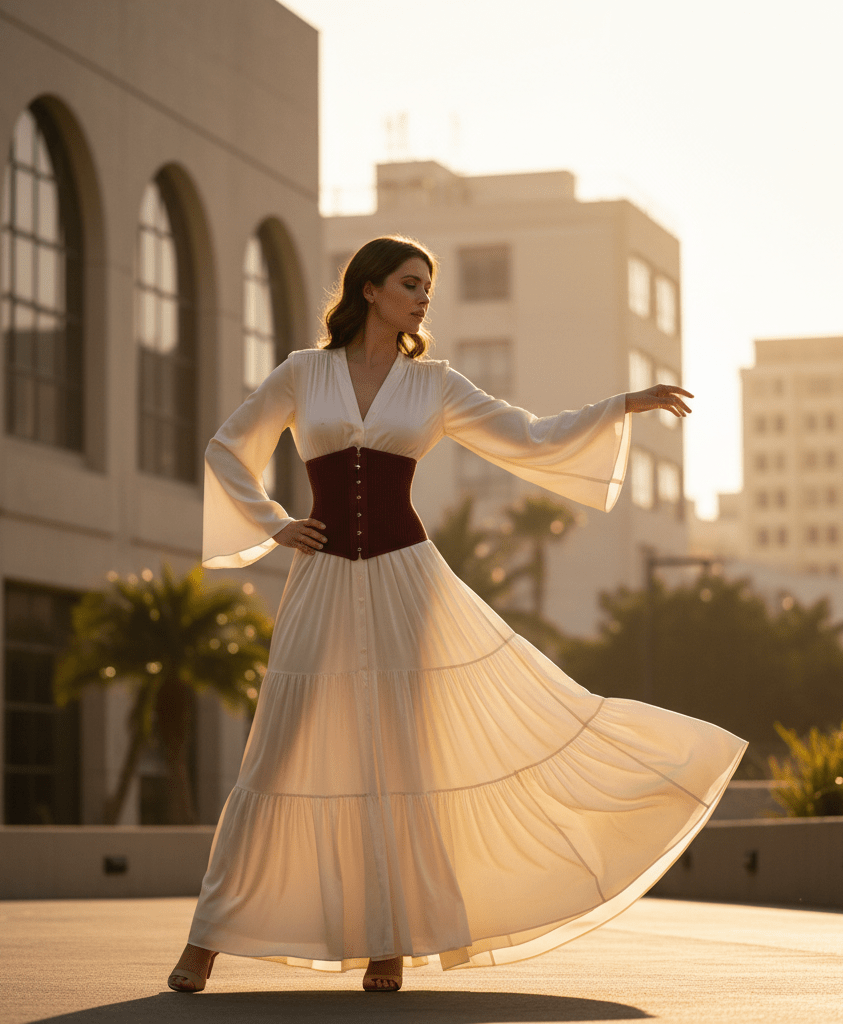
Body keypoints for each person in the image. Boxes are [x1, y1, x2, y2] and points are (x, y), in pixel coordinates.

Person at [167, 235, 746, 994]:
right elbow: (225, 447)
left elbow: (529, 435)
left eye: (427, 290)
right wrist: (273, 522)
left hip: (410, 581)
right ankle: (206, 941)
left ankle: (389, 944)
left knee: (403, 760)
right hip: (321, 577)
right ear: (369, 288)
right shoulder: (303, 373)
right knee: (276, 753)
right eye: (410, 284)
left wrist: (621, 405)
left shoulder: (434, 384)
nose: (422, 299)